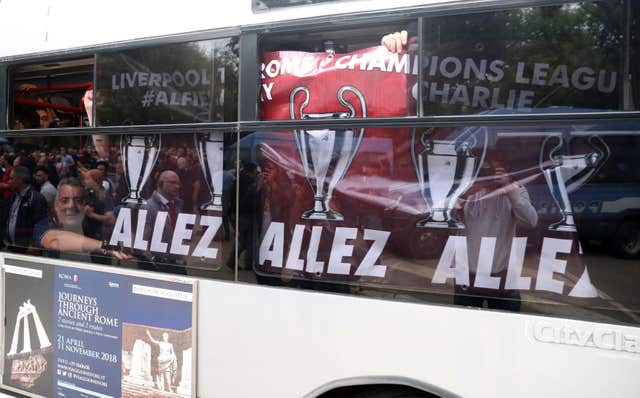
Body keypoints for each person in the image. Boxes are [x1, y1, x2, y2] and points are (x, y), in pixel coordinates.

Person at [454, 150, 538, 311]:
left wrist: (508, 188)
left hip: (503, 273)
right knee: (464, 326)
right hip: (468, 273)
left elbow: (531, 221)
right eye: (485, 170)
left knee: (507, 325)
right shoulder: (467, 190)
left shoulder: (515, 190)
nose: (489, 175)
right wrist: (467, 191)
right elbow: (446, 216)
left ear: (505, 169)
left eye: (494, 170)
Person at [139, 170, 186, 274]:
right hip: (158, 266)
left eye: (178, 183)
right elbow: (142, 241)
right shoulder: (148, 207)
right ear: (160, 183)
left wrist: (181, 258)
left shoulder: (176, 205)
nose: (177, 186)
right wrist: (154, 263)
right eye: (172, 183)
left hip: (175, 263)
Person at [6, 166, 49, 254]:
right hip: (15, 247)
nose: (8, 181)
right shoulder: (14, 196)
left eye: (11, 178)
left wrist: (35, 245)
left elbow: (42, 223)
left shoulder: (35, 198)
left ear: (20, 180)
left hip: (28, 250)